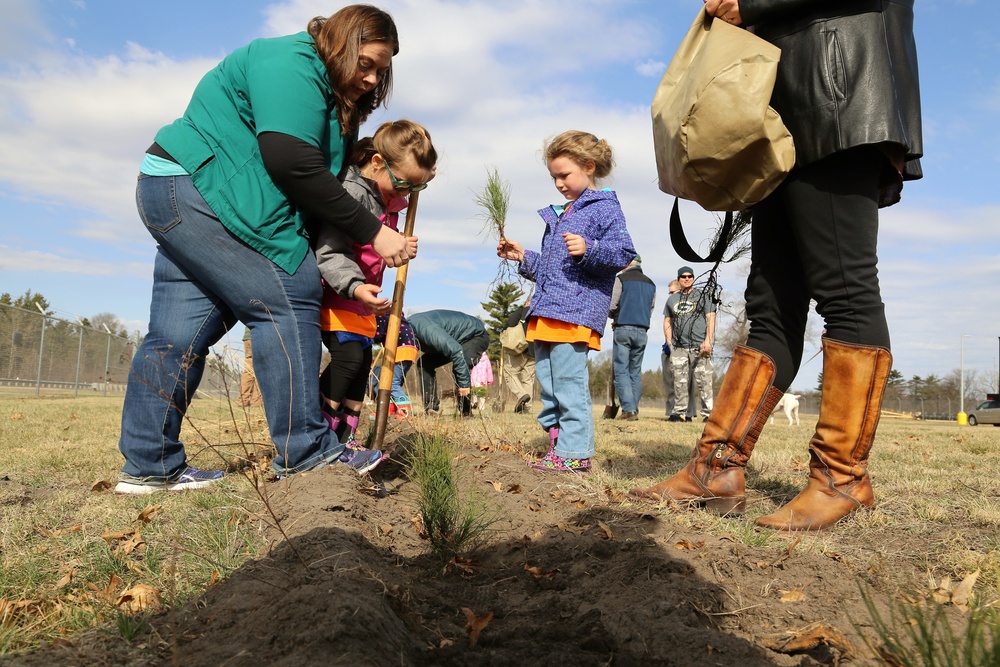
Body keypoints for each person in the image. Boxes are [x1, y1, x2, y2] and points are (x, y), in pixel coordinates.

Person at [631, 0, 922, 532]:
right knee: (770, 307)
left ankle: (842, 478)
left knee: (845, 290)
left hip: (838, 92)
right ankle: (715, 469)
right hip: (776, 108)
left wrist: (751, 3)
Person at [115, 6, 414, 493]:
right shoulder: (289, 62)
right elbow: (290, 160)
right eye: (367, 62)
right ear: (339, 42)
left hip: (187, 196)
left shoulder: (333, 97)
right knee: (289, 291)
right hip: (199, 190)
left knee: (178, 332)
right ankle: (308, 451)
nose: (373, 77)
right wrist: (373, 231)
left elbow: (324, 182)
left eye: (383, 69)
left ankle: (150, 462)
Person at [497, 130, 636, 474]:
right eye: (553, 177)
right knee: (549, 384)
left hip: (574, 314)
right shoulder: (564, 213)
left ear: (589, 167)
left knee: (569, 384)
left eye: (564, 175)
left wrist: (590, 249)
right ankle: (558, 445)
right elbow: (553, 266)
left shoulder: (604, 208)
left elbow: (623, 253)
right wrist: (524, 257)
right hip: (547, 312)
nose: (558, 183)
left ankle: (576, 452)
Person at [316, 120, 436, 446]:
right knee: (349, 360)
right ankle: (319, 436)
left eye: (417, 187)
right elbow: (330, 251)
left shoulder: (386, 194)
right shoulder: (353, 193)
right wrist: (354, 286)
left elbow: (396, 199)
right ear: (377, 163)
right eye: (404, 185)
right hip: (339, 294)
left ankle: (345, 442)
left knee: (361, 369)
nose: (407, 194)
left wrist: (418, 180)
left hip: (363, 303)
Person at [409, 310, 490, 415]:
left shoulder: (427, 330)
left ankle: (466, 412)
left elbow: (457, 351)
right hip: (455, 339)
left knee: (460, 363)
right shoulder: (408, 331)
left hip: (475, 336)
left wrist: (464, 384)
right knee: (424, 363)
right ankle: (431, 408)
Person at [663, 267, 716, 423]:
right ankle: (679, 413)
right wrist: (669, 342)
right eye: (683, 276)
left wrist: (707, 341)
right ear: (679, 279)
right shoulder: (672, 299)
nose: (687, 279)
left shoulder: (702, 295)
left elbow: (711, 318)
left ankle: (708, 415)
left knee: (704, 381)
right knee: (679, 381)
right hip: (679, 347)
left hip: (700, 346)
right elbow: (667, 320)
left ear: (693, 278)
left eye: (690, 276)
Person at [609, 255, 656, 421]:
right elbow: (651, 308)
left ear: (628, 264)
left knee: (621, 369)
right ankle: (633, 409)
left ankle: (628, 409)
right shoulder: (651, 284)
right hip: (642, 331)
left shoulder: (620, 279)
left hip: (623, 327)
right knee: (635, 371)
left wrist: (612, 315)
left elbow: (612, 303)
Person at [372, 312, 419, 419]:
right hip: (408, 350)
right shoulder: (396, 316)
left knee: (392, 383)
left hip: (400, 351)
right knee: (386, 382)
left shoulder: (381, 315)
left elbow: (378, 334)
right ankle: (389, 409)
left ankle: (404, 409)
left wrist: (368, 338)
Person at [502, 298, 536, 413]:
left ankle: (522, 395)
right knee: (528, 379)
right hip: (535, 351)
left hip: (521, 348)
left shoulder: (522, 311)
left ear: (527, 302)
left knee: (509, 372)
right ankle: (526, 408)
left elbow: (510, 324)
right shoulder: (541, 314)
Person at [238, 327, 263, 408]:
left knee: (248, 370)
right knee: (262, 369)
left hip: (248, 337)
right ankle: (257, 402)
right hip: (260, 336)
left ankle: (243, 400)